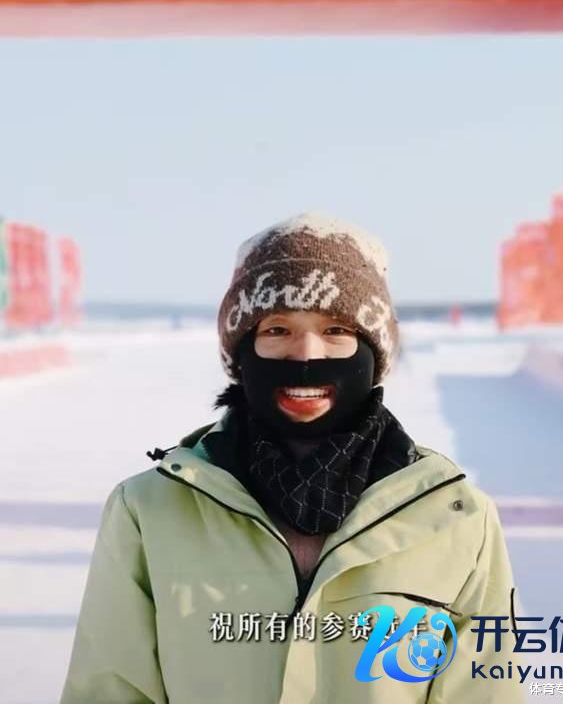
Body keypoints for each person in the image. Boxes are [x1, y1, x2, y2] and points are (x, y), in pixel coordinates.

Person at [61, 211, 525, 704]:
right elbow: (109, 691)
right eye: (277, 329)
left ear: (375, 352)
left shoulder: (456, 518)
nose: (305, 355)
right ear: (240, 353)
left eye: (337, 330)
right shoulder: (148, 510)